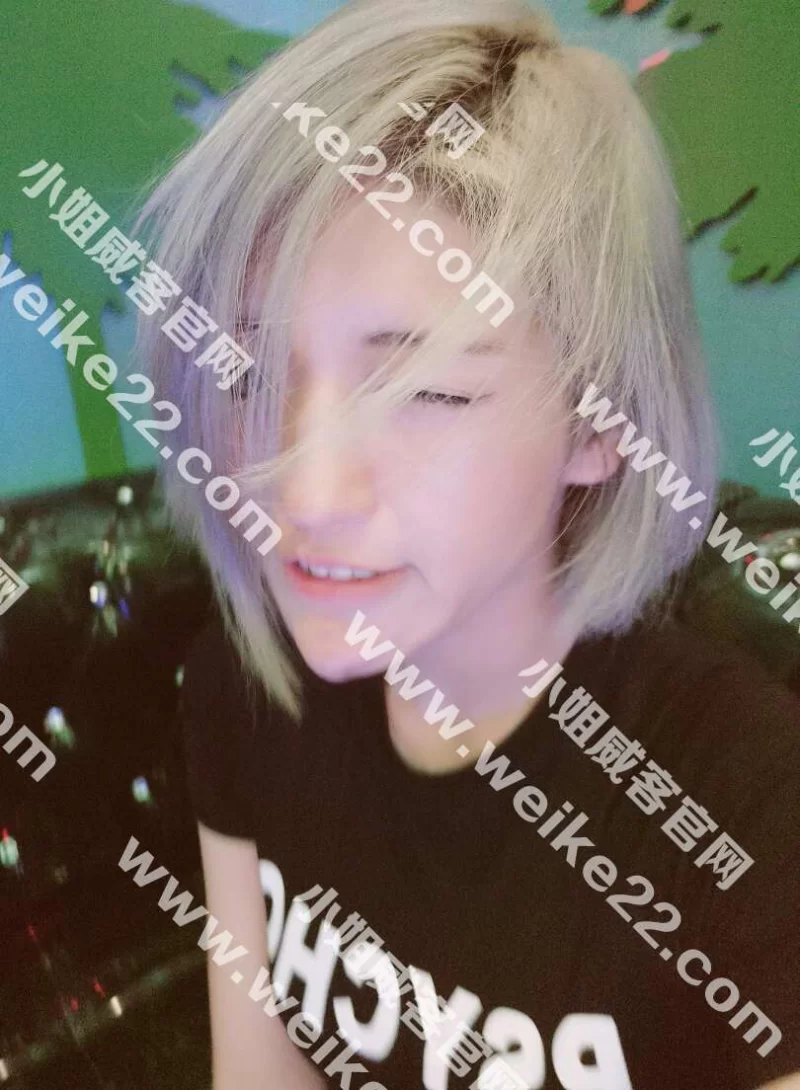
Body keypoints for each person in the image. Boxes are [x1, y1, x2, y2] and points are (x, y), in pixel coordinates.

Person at [133, 1, 800, 1087]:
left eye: (429, 389)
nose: (301, 489)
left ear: (597, 421)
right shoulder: (244, 687)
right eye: (247, 372)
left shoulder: (748, 799)